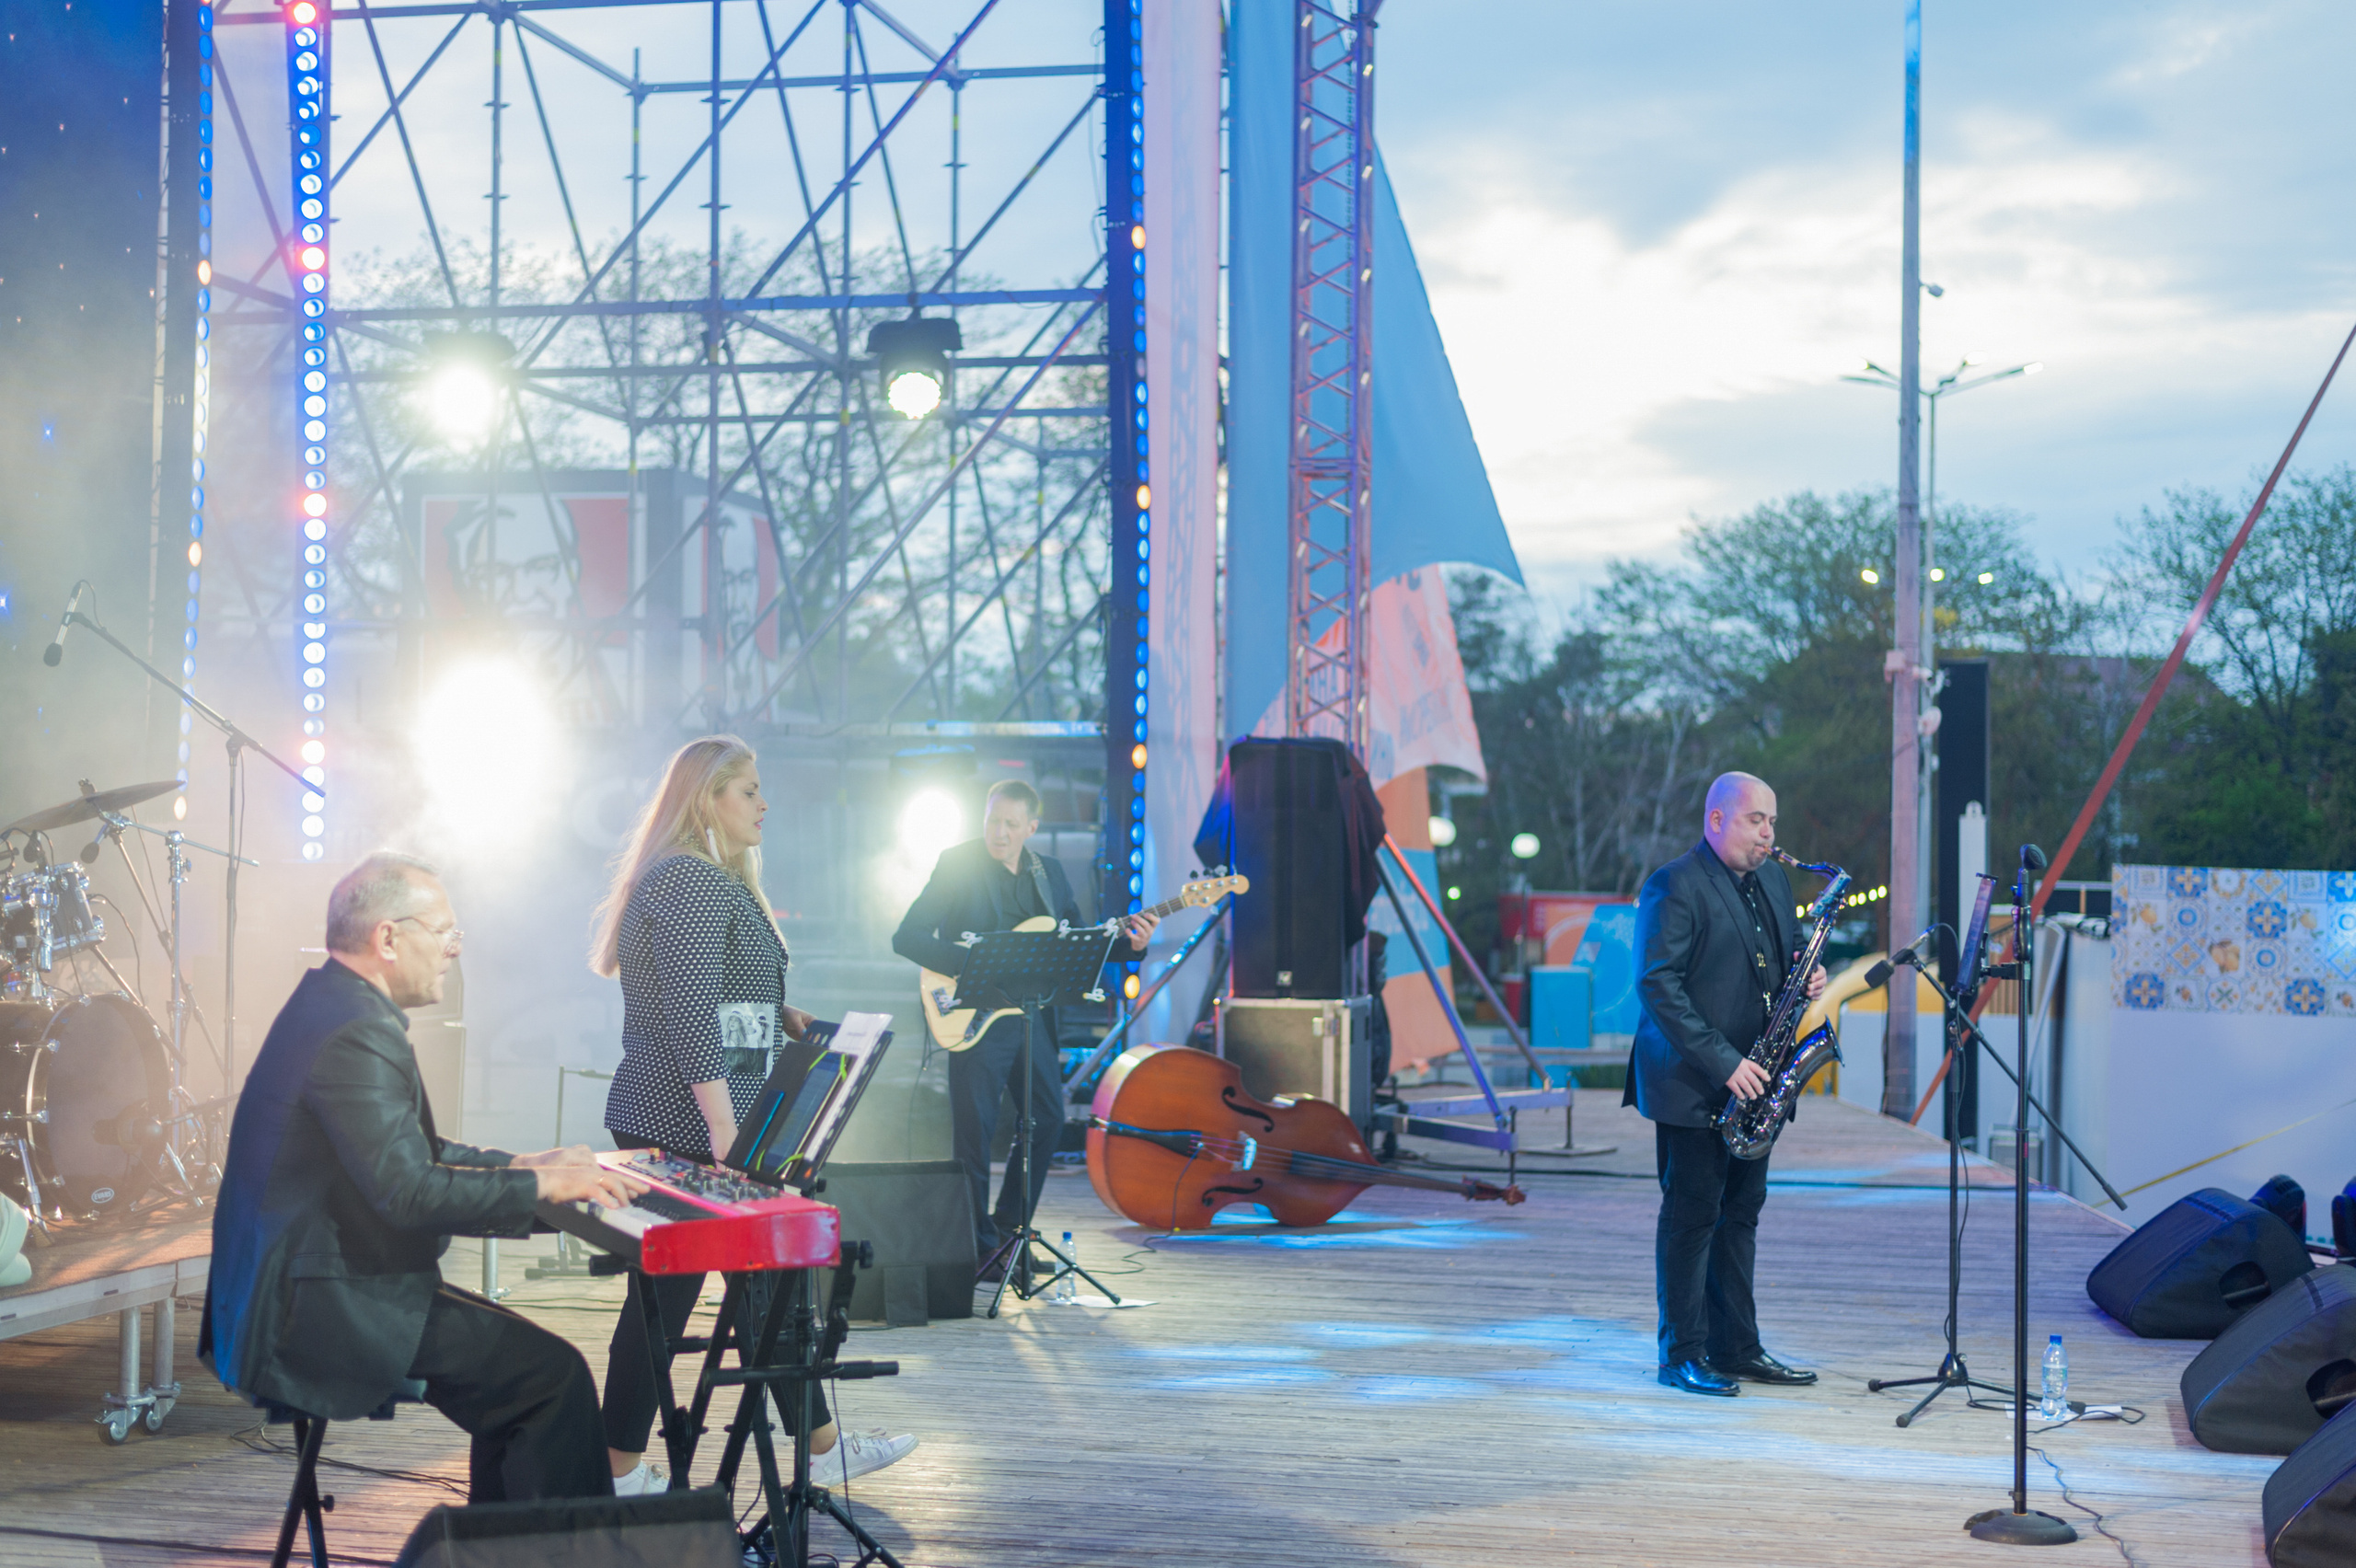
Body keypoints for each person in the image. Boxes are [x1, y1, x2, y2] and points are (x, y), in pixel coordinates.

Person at [201, 851, 643, 1503]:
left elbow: (415, 1151)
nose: (453, 952)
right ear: (388, 937)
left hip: (304, 1285)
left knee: (532, 1378)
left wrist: (524, 1166)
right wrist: (544, 1189)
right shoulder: (355, 1029)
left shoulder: (331, 1004)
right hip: (312, 1307)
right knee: (552, 1379)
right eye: (443, 934)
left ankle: (503, 1551)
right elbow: (408, 1193)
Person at [590, 734, 915, 1495]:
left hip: (690, 1115)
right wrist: (724, 1132)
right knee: (679, 1306)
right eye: (749, 790)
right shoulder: (691, 882)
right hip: (690, 1121)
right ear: (708, 799)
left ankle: (809, 1444)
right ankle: (619, 1469)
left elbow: (711, 995)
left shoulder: (694, 879)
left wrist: (781, 1016)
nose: (764, 803)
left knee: (751, 1293)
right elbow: (691, 1015)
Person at [893, 779, 1160, 1287]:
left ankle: (1008, 1235)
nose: (999, 832)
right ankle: (973, 1249)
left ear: (1032, 828)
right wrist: (972, 967)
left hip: (1031, 1017)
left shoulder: (1049, 873)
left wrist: (1131, 947)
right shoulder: (957, 863)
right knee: (973, 1137)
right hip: (973, 1017)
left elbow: (1081, 942)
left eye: (1012, 824)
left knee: (1048, 1120)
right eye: (993, 820)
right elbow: (906, 936)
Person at [1624, 772, 1828, 1398]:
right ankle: (1680, 1355)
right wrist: (1724, 1062)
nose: (1769, 834)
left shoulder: (1769, 877)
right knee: (1692, 1219)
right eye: (1755, 821)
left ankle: (1736, 1347)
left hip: (1758, 1080)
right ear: (1716, 821)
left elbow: (1789, 950)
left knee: (1740, 1216)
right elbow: (1658, 985)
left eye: (1772, 821)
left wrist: (1810, 972)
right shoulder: (1674, 884)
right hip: (1695, 1082)